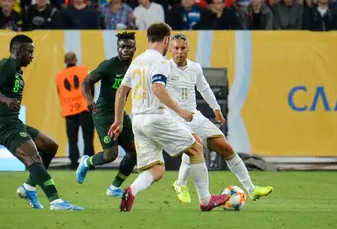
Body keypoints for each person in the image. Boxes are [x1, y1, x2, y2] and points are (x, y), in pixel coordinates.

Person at [108, 22, 229, 212]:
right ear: (166, 40)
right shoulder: (161, 62)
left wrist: (119, 120)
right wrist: (182, 112)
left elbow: (121, 91)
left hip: (137, 121)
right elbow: (158, 88)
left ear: (149, 39)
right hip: (155, 117)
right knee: (196, 146)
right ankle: (206, 200)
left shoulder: (137, 61)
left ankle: (130, 191)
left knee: (156, 170)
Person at [167, 33, 273, 203]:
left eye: (183, 48)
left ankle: (252, 189)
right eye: (176, 48)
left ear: (188, 49)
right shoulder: (164, 69)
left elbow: (205, 88)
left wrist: (216, 108)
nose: (179, 52)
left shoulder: (195, 68)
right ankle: (181, 184)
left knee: (226, 148)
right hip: (174, 118)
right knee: (195, 145)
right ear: (170, 50)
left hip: (194, 116)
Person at [0, 34, 83, 211]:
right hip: (5, 124)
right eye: (29, 52)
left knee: (50, 146)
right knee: (33, 157)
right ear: (18, 51)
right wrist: (5, 102)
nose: (32, 56)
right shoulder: (6, 65)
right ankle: (55, 201)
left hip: (12, 122)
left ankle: (28, 188)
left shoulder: (17, 71)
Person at [78, 31, 138, 197]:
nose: (126, 49)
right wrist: (89, 99)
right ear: (118, 48)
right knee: (111, 155)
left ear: (135, 48)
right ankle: (87, 162)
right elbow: (86, 81)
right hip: (103, 113)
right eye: (122, 46)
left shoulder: (136, 67)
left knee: (135, 151)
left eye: (129, 47)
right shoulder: (109, 65)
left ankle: (114, 187)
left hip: (120, 114)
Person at [55, 52, 95, 169]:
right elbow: (90, 86)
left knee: (72, 139)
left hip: (69, 109)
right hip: (84, 108)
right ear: (76, 59)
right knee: (87, 137)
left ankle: (73, 162)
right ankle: (89, 162)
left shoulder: (59, 76)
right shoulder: (84, 70)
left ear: (65, 61)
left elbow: (59, 92)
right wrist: (90, 101)